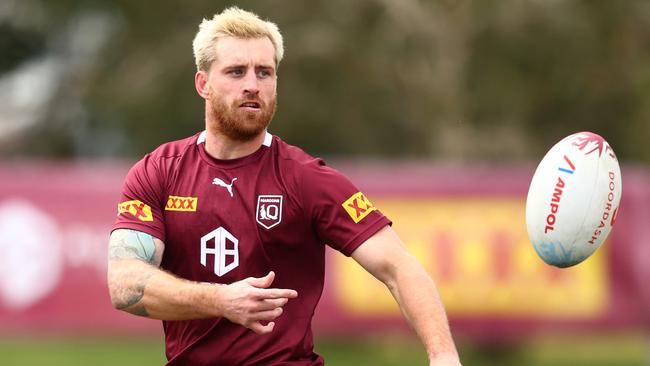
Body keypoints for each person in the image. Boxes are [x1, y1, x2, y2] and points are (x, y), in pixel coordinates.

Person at [108, 6, 461, 366]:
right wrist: (221, 300)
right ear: (203, 84)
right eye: (236, 71)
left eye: (265, 72)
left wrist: (443, 355)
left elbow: (400, 268)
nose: (252, 84)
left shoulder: (306, 178)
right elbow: (124, 284)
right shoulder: (158, 172)